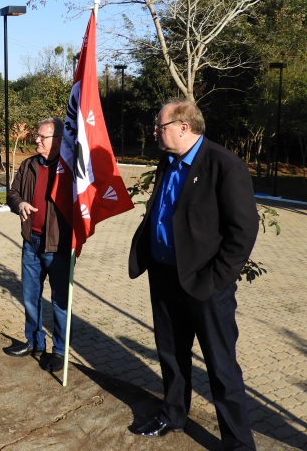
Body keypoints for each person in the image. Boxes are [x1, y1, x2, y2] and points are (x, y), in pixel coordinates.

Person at [128, 99, 259, 450]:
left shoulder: (225, 165)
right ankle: (173, 414)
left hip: (205, 285)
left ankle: (238, 443)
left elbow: (243, 231)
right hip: (164, 276)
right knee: (171, 354)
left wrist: (217, 279)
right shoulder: (168, 161)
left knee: (221, 366)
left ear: (184, 127)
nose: (155, 132)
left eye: (161, 127)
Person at [4, 117, 73, 372]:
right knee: (30, 297)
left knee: (60, 302)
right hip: (31, 242)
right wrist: (20, 203)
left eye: (42, 137)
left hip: (59, 247)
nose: (37, 140)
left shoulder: (70, 170)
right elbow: (12, 194)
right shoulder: (29, 164)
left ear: (58, 140)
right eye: (37, 135)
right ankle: (34, 343)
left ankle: (60, 351)